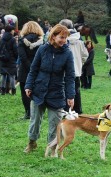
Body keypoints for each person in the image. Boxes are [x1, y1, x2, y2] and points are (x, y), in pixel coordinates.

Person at [23, 24, 75, 154]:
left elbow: (70, 76)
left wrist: (70, 95)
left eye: (65, 38)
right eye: (61, 37)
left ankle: (52, 148)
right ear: (53, 36)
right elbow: (33, 69)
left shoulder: (68, 54)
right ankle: (32, 142)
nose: (64, 40)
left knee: (55, 124)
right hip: (39, 90)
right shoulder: (42, 50)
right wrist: (29, 85)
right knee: (35, 121)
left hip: (56, 92)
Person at [59, 19, 88, 114]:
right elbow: (85, 55)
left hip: (64, 71)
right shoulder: (79, 40)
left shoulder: (61, 40)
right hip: (76, 71)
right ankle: (77, 110)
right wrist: (79, 63)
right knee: (76, 90)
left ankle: (66, 110)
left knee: (64, 90)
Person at [17, 21, 44, 119]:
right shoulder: (42, 42)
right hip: (39, 70)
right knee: (37, 91)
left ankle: (28, 113)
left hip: (24, 70)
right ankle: (38, 112)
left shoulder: (21, 41)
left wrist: (30, 67)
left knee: (25, 93)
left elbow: (22, 57)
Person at [0, 25, 18, 95]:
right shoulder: (12, 39)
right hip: (11, 60)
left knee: (3, 75)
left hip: (2, 59)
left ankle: (2, 90)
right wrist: (15, 58)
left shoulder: (1, 39)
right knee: (12, 76)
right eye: (13, 30)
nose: (14, 31)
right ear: (10, 31)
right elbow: (15, 50)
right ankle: (13, 91)